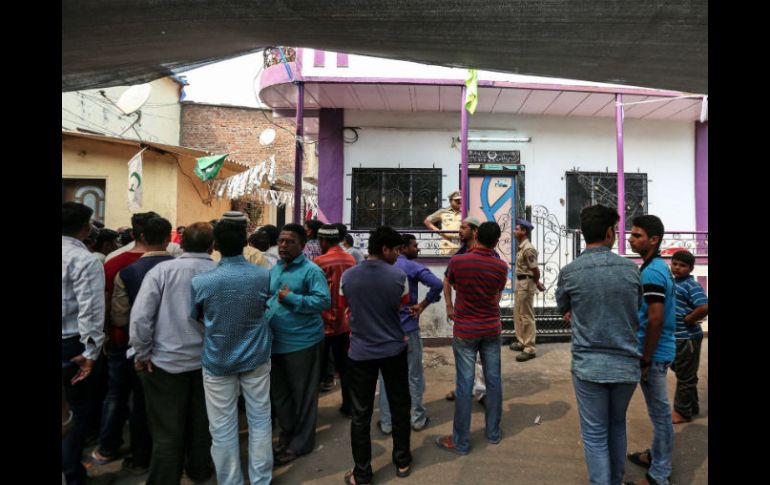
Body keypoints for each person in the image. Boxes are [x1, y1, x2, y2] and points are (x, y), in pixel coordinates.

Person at [556, 205, 643, 485]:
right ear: (609, 233)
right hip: (626, 365)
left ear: (583, 234)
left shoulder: (570, 272)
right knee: (617, 424)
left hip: (588, 367)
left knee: (594, 433)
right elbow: (637, 307)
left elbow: (563, 307)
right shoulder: (631, 270)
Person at [128, 222, 217, 484]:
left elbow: (141, 319)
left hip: (165, 364)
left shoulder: (162, 271)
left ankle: (166, 478)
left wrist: (142, 354)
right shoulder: (219, 273)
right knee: (203, 425)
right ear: (212, 246)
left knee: (167, 432)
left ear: (180, 243)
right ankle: (200, 471)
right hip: (208, 365)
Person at [191, 217, 274, 485]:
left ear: (215, 245)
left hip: (218, 358)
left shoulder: (203, 282)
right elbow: (267, 308)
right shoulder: (263, 275)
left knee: (222, 429)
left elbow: (194, 316)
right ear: (245, 243)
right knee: (260, 421)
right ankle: (261, 480)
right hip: (256, 355)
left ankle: (230, 481)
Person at [341, 226, 412, 485]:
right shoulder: (398, 276)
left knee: (361, 414)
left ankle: (362, 473)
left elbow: (343, 308)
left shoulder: (348, 277)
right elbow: (402, 305)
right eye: (395, 250)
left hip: (360, 353)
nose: (397, 255)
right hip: (393, 349)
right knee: (400, 405)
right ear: (384, 249)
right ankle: (402, 461)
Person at [437, 221, 509, 455]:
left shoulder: (459, 261)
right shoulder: (501, 267)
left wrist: (449, 305)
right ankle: (493, 432)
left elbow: (449, 281)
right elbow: (496, 296)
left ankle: (461, 441)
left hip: (466, 330)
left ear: (476, 235)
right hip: (490, 329)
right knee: (494, 380)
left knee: (465, 384)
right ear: (497, 241)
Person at [267, 223, 331, 466]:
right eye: (281, 241)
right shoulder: (276, 268)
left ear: (303, 246)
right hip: (275, 342)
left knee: (303, 395)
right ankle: (287, 434)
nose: (283, 245)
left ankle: (301, 443)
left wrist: (292, 298)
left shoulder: (311, 270)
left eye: (289, 241)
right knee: (280, 394)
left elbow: (323, 301)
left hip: (302, 342)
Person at [626, 215, 677, 485]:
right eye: (630, 234)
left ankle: (659, 475)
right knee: (658, 413)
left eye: (637, 235)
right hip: (655, 350)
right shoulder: (653, 266)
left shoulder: (653, 271)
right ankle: (655, 455)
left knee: (660, 415)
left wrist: (645, 358)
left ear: (653, 240)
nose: (630, 239)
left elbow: (655, 318)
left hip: (654, 354)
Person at [377, 233, 443, 434]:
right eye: (415, 246)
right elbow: (437, 284)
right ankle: (417, 418)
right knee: (414, 375)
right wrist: (423, 305)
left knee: (386, 377)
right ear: (403, 248)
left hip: (385, 331)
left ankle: (387, 422)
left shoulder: (379, 267)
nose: (418, 249)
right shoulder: (411, 267)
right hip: (409, 329)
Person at [62, 202, 106, 485]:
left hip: (71, 342)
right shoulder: (85, 260)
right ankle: (72, 472)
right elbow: (90, 309)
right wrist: (91, 352)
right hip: (72, 344)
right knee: (74, 414)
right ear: (85, 228)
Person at [443, 216, 489, 405]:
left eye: (463, 227)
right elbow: (447, 280)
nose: (459, 230)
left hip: (482, 315)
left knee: (480, 356)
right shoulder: (459, 254)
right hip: (463, 313)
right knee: (462, 355)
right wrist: (449, 304)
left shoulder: (488, 254)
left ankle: (481, 392)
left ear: (475, 231)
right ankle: (464, 388)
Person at [313, 225, 357, 417]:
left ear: (323, 241)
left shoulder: (319, 262)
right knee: (346, 367)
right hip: (345, 322)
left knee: (315, 370)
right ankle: (349, 405)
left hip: (322, 323)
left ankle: (311, 411)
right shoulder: (350, 259)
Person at [669, 250, 708, 424]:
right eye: (675, 263)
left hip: (687, 337)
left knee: (684, 376)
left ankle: (682, 412)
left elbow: (704, 306)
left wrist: (689, 318)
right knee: (686, 373)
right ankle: (692, 406)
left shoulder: (690, 285)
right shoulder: (674, 282)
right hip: (677, 336)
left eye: (682, 265)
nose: (677, 268)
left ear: (691, 269)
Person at [509, 218, 546, 362]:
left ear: (524, 231)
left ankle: (529, 348)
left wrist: (536, 282)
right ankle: (521, 341)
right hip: (520, 282)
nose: (514, 231)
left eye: (517, 229)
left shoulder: (528, 248)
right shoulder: (521, 247)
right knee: (518, 313)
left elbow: (535, 271)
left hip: (526, 283)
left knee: (526, 316)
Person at [424, 190, 462, 256]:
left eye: (460, 200)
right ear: (450, 201)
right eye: (456, 200)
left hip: (461, 243)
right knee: (446, 264)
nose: (459, 202)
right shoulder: (443, 211)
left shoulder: (464, 212)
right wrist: (439, 232)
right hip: (447, 244)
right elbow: (427, 221)